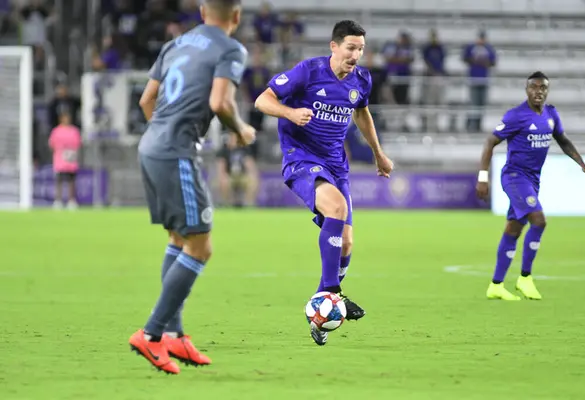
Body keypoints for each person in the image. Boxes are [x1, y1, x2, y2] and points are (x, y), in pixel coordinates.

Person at [130, 0, 256, 374]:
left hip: (151, 146)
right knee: (201, 247)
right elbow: (220, 101)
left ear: (203, 12)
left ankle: (175, 335)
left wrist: (162, 134)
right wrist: (242, 129)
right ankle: (152, 334)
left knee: (178, 239)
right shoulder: (231, 48)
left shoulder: (174, 44)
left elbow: (146, 99)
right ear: (236, 16)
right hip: (175, 152)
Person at [254, 20, 394, 346]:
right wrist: (290, 114)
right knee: (336, 207)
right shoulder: (308, 72)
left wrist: (378, 154)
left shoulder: (361, 80)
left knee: (346, 244)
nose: (356, 55)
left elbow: (362, 113)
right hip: (301, 158)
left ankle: (323, 306)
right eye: (350, 48)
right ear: (334, 46)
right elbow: (263, 100)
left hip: (335, 165)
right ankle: (332, 293)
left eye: (360, 49)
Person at [476, 71, 585, 301]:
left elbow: (563, 140)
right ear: (527, 89)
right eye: (534, 87)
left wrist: (582, 163)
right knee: (539, 221)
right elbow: (490, 141)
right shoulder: (516, 116)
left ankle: (496, 285)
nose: (538, 91)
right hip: (514, 177)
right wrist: (483, 177)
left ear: (547, 91)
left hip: (532, 180)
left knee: (513, 229)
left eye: (543, 88)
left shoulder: (551, 115)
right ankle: (525, 278)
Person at [216, 133, 259, 207]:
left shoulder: (245, 149)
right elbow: (221, 167)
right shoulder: (223, 150)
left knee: (253, 181)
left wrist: (252, 174)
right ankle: (227, 204)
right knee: (224, 181)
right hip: (229, 176)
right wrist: (223, 176)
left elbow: (250, 165)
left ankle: (248, 204)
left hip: (242, 175)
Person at [48, 113, 81, 209]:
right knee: (59, 180)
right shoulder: (56, 131)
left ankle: (71, 200)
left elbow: (78, 144)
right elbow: (52, 144)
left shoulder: (74, 131)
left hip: (71, 159)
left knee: (71, 180)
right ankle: (58, 200)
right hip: (60, 159)